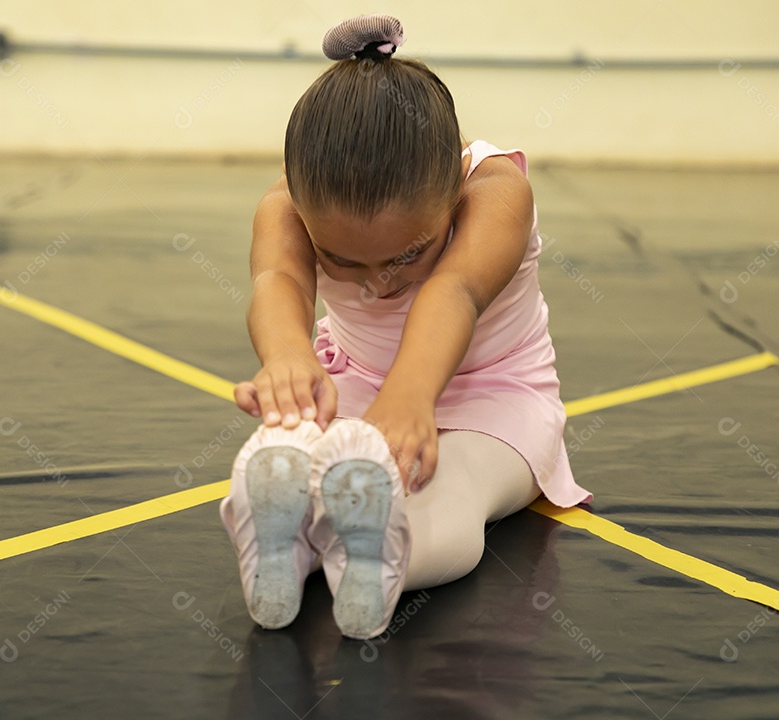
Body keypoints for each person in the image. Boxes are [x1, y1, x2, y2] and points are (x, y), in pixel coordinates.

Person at [220, 14, 592, 641]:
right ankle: (280, 545)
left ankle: (380, 556)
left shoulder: (498, 192)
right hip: (359, 381)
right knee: (307, 453)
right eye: (341, 260)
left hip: (495, 400)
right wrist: (287, 357)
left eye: (406, 256)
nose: (379, 283)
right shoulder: (284, 203)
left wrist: (413, 396)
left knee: (456, 483)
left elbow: (455, 290)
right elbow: (276, 283)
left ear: (453, 190)